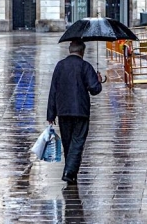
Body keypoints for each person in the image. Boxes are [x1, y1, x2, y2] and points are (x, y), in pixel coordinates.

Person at [47, 39, 103, 184]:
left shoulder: (60, 66)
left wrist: (51, 114)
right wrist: (98, 80)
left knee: (68, 143)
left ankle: (70, 173)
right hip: (81, 111)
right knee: (77, 142)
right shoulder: (85, 66)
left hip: (63, 111)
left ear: (70, 50)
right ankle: (69, 172)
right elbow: (94, 89)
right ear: (82, 51)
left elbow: (53, 90)